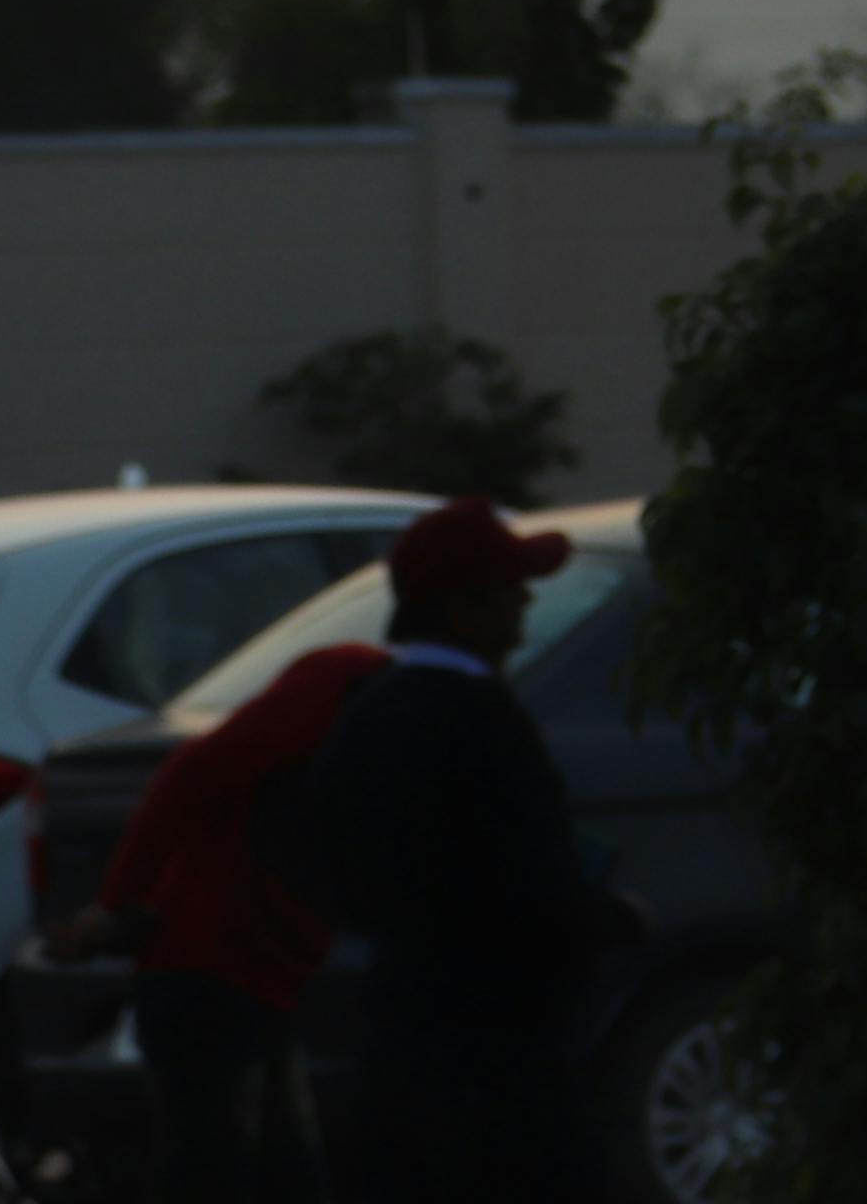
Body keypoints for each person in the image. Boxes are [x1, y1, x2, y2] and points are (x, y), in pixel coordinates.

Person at [308, 498, 632, 1204]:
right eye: (509, 586)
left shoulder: (367, 716)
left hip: (397, 1043)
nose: (524, 599)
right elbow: (531, 883)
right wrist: (602, 918)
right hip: (501, 1060)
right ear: (465, 609)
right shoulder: (483, 720)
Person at [43, 626, 390, 1204]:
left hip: (250, 982)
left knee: (270, 1168)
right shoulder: (347, 690)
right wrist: (118, 902)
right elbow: (190, 777)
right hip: (213, 976)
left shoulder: (356, 717)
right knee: (222, 1166)